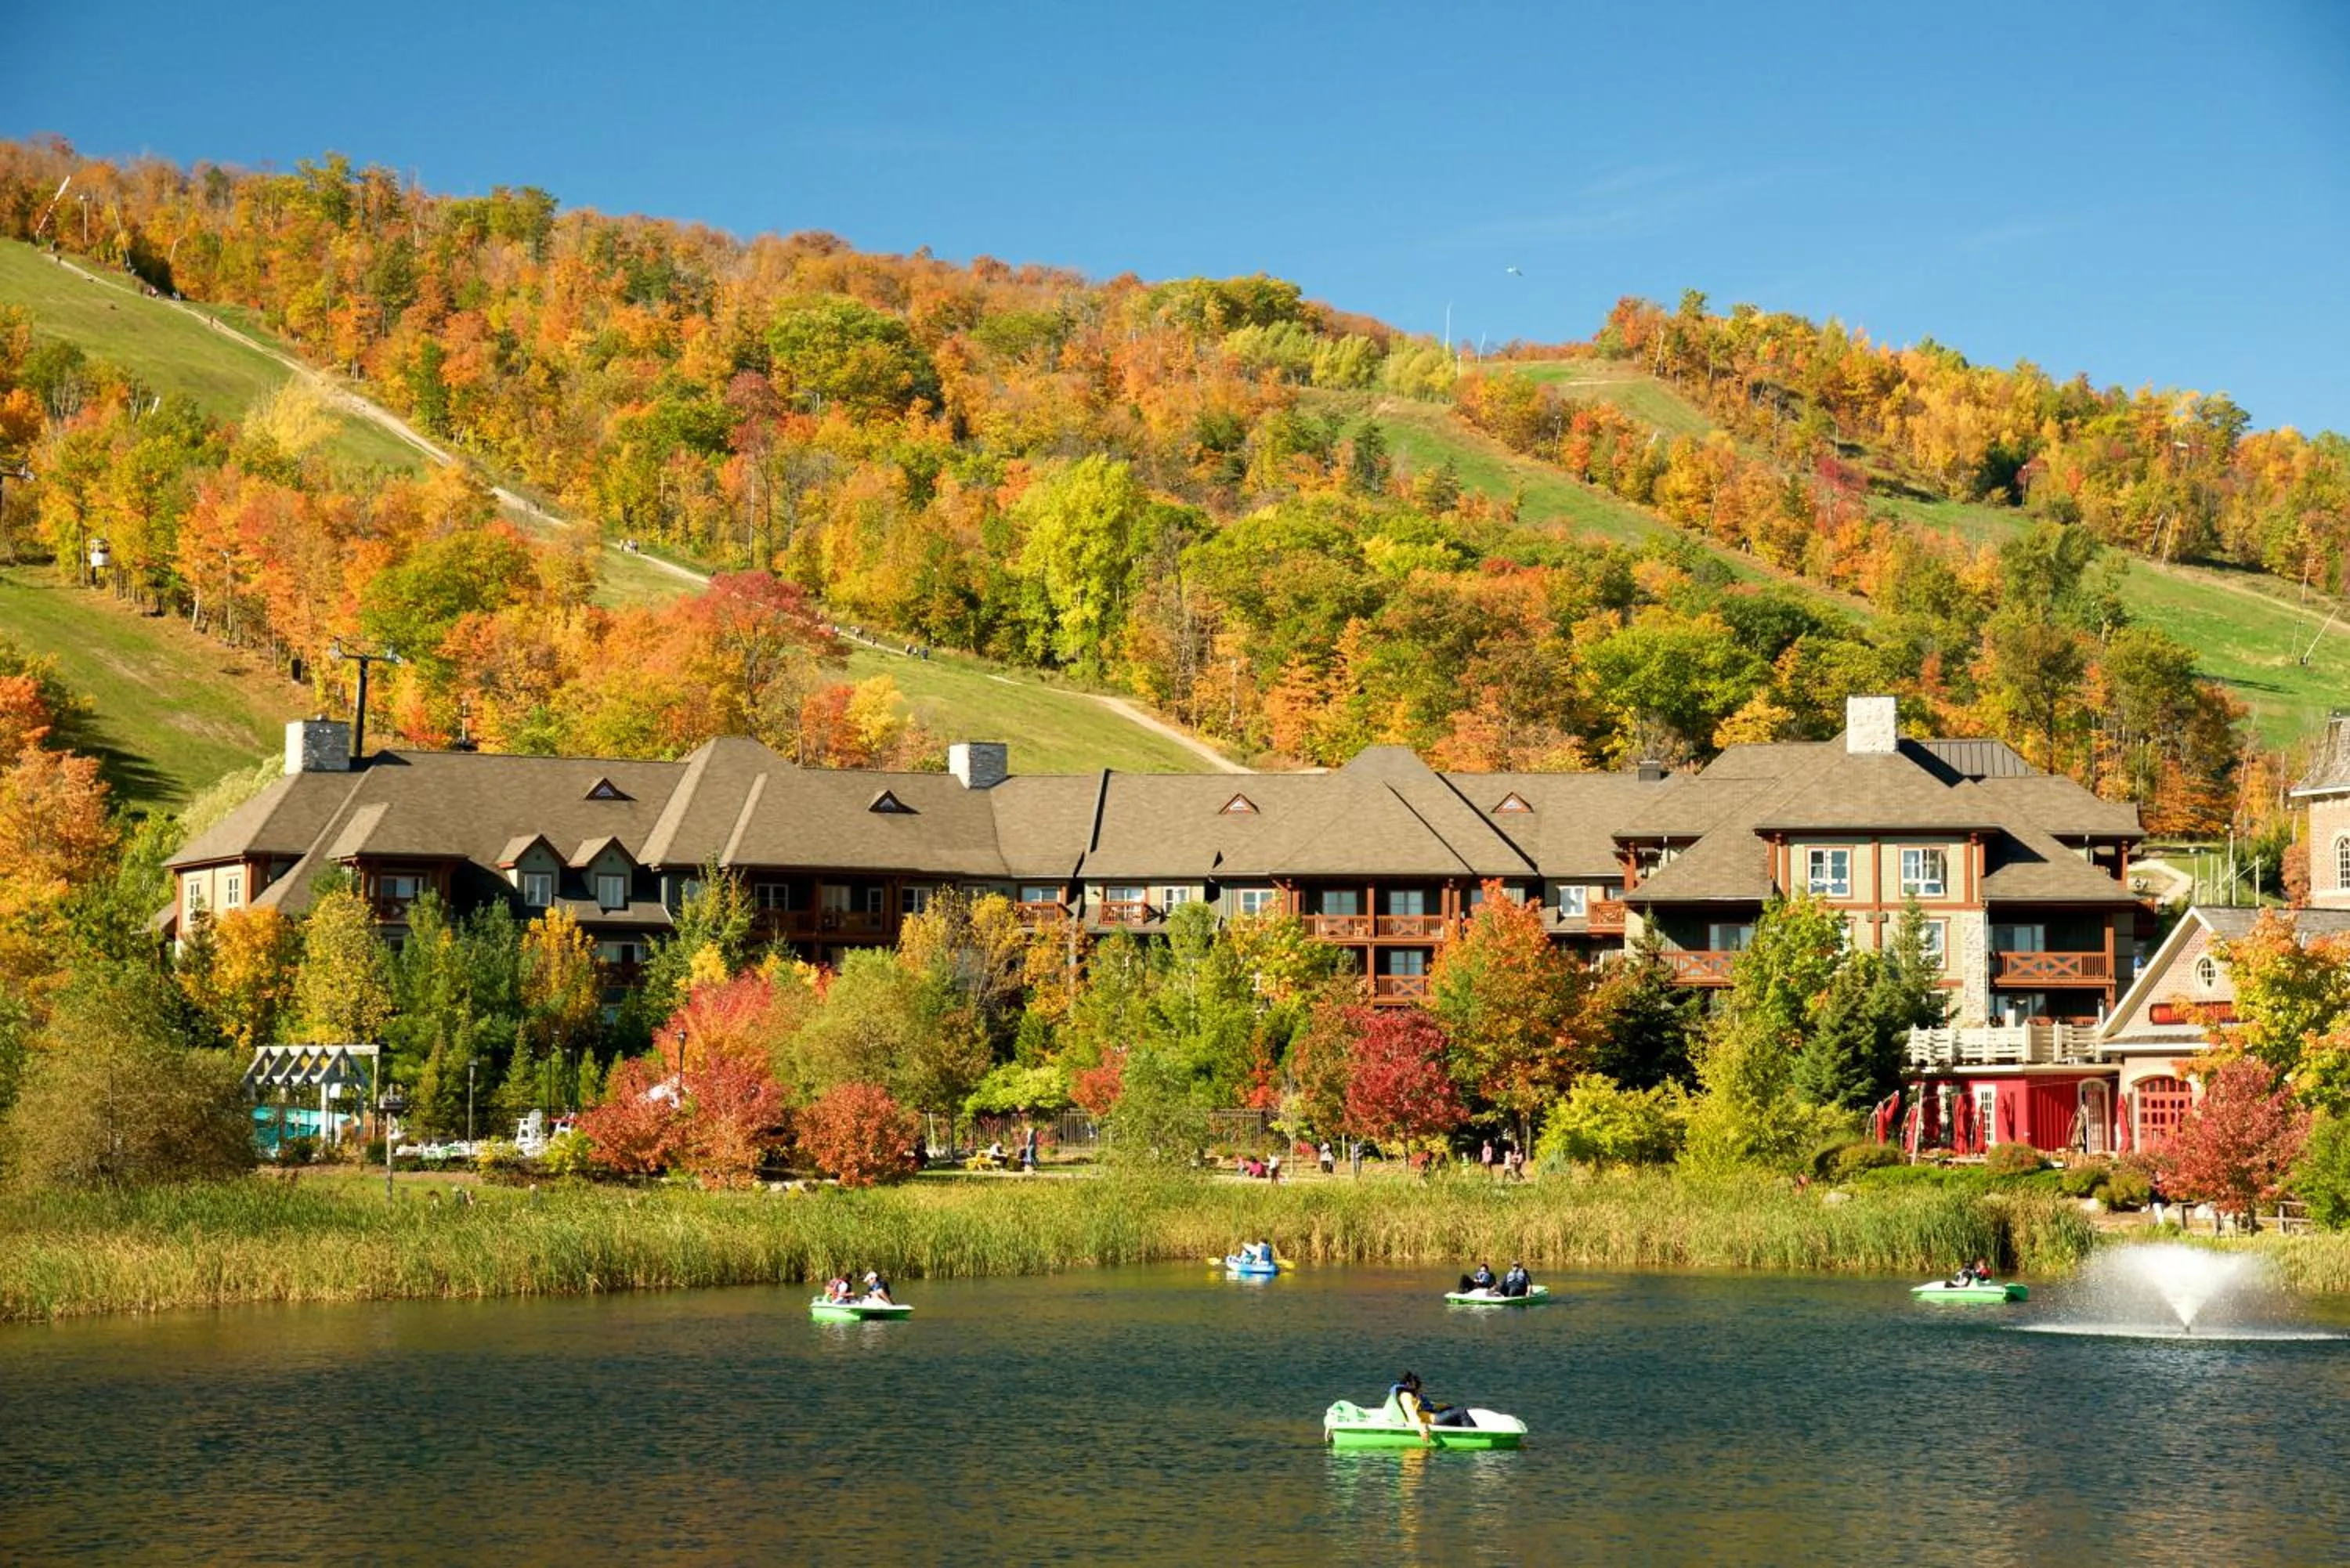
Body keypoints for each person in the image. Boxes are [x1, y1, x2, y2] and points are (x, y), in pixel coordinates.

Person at [1390, 1371, 1473, 1433]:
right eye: (1417, 1385)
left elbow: (1429, 1406)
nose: (1419, 1389)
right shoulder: (1406, 1396)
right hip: (1432, 1420)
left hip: (1432, 1416)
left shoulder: (1412, 1395)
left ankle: (1462, 1433)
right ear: (1409, 1384)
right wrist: (1421, 1429)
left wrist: (1444, 1406)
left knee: (1453, 1410)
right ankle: (1474, 1435)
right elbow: (1411, 1413)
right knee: (1461, 1412)